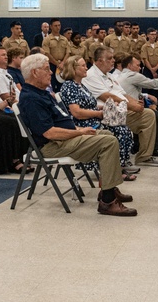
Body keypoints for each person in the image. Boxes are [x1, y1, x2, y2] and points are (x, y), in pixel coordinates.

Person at [19, 53, 137, 217]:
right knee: (108, 142)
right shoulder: (31, 99)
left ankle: (108, 189)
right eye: (47, 69)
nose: (51, 72)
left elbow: (61, 120)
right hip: (52, 146)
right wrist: (79, 131)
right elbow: (49, 133)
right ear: (34, 72)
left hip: (64, 139)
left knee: (107, 134)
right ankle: (107, 201)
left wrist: (78, 130)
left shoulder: (41, 93)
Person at [58, 56, 137, 178]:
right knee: (119, 132)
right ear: (73, 69)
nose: (86, 68)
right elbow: (77, 112)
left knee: (124, 129)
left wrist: (106, 107)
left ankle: (117, 167)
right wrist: (99, 114)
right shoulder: (69, 86)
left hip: (92, 119)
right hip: (82, 123)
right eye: (83, 65)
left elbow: (91, 105)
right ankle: (112, 170)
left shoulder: (81, 85)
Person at [83, 46, 158, 167]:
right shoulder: (91, 75)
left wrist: (135, 103)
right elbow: (107, 97)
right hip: (107, 114)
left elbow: (123, 93)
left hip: (121, 110)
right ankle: (121, 161)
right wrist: (131, 106)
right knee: (148, 115)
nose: (113, 61)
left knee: (149, 114)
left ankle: (144, 156)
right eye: (109, 58)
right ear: (99, 61)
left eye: (113, 58)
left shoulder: (110, 75)